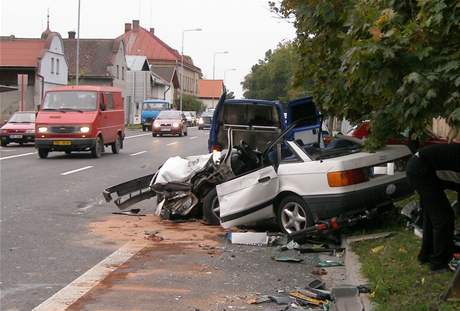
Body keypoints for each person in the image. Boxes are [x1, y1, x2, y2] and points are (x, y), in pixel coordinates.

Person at [406, 142, 460, 272]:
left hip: (422, 168)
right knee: (443, 218)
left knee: (432, 217)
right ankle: (438, 263)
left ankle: (426, 255)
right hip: (421, 170)